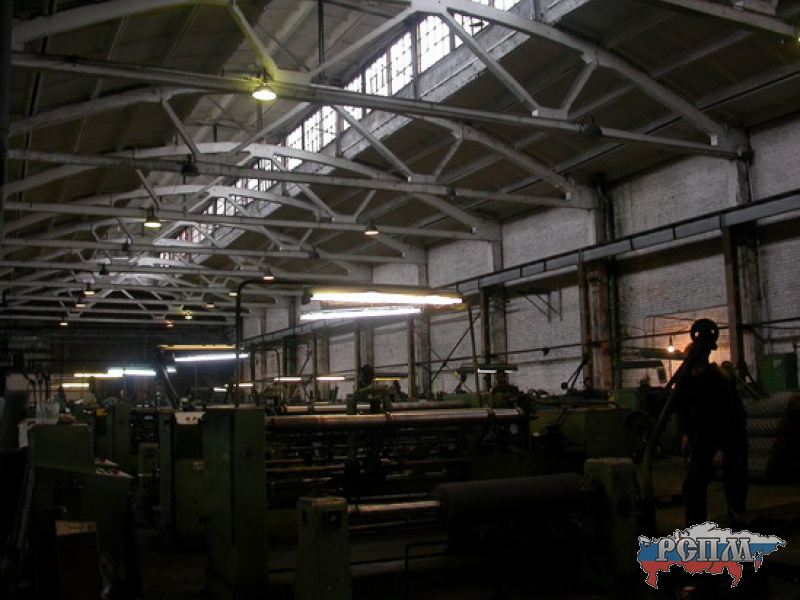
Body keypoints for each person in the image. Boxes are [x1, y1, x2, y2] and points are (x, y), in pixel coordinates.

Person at [675, 343, 748, 528]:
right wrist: (686, 434)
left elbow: (732, 416)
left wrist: (722, 449)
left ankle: (737, 521)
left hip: (729, 438)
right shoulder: (687, 380)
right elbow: (683, 408)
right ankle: (695, 527)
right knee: (693, 485)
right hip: (704, 438)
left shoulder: (718, 380)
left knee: (734, 484)